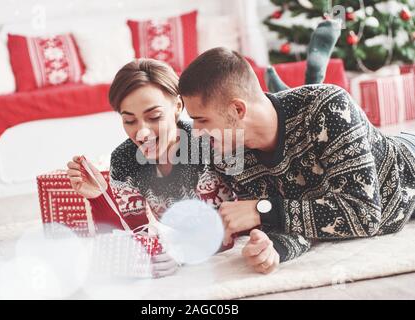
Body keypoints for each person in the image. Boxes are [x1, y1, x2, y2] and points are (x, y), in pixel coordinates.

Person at [178, 47, 415, 275]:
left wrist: (262, 209)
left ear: (238, 110)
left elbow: (364, 214)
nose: (197, 132)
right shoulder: (227, 155)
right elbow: (295, 219)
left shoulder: (327, 106)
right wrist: (273, 248)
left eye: (202, 120)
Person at [66, 59, 233, 278]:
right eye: (129, 121)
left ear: (178, 106)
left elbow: (238, 224)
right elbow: (131, 235)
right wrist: (99, 196)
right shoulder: (124, 158)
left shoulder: (212, 141)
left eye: (153, 117)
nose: (141, 133)